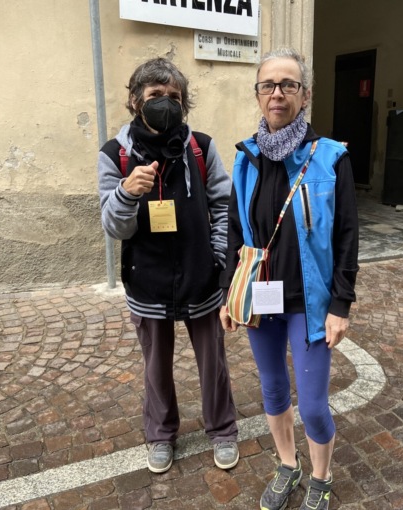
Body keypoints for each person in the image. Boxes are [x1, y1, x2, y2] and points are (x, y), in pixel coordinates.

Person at [220, 48, 359, 510]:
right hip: (261, 296)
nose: (277, 93)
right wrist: (227, 293)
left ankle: (321, 476)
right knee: (273, 389)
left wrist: (340, 304)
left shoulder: (331, 158)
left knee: (314, 405)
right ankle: (287, 464)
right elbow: (235, 231)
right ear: (258, 94)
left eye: (288, 85)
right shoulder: (246, 158)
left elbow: (347, 236)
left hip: (309, 301)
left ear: (305, 94)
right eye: (268, 85)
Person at [98, 57, 239, 474]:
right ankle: (161, 435)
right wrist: (126, 192)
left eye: (174, 97)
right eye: (155, 95)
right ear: (135, 100)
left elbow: (223, 207)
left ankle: (223, 429)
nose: (166, 103)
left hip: (201, 278)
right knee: (156, 367)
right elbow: (114, 227)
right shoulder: (114, 155)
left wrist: (218, 260)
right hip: (147, 281)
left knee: (213, 363)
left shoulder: (202, 147)